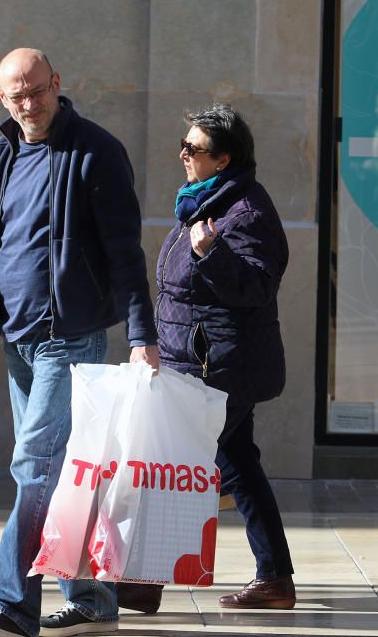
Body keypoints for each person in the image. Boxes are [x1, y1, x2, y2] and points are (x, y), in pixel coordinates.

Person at [0, 48, 159, 637]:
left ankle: (12, 604)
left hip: (69, 340)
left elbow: (126, 251)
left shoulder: (96, 152)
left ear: (57, 83)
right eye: (17, 95)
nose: (30, 103)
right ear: (2, 99)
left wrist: (142, 334)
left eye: (38, 90)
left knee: (36, 468)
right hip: (18, 340)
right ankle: (92, 598)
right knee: (66, 472)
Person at [117, 103, 295, 615]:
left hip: (220, 369)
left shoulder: (247, 212)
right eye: (184, 144)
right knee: (237, 464)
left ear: (223, 159)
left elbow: (259, 286)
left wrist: (210, 255)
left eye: (193, 149)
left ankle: (146, 581)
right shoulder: (206, 201)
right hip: (202, 361)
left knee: (176, 464)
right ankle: (275, 578)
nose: (182, 155)